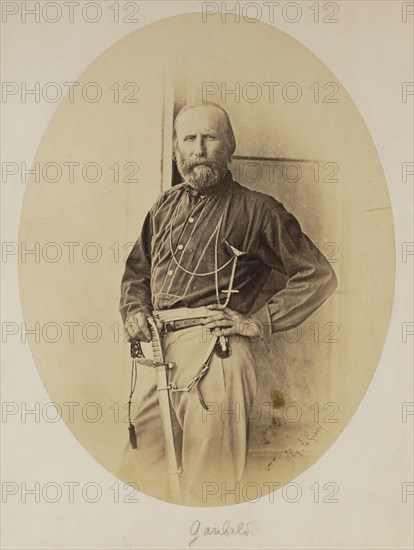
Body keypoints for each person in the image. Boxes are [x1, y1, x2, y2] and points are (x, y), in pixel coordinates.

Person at [118, 101, 337, 505]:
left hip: (215, 353)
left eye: (210, 137)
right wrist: (134, 310)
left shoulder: (259, 210)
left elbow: (319, 274)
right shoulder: (163, 208)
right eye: (188, 138)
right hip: (155, 350)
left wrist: (258, 321)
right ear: (176, 150)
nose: (198, 148)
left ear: (229, 145)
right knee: (140, 476)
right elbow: (137, 273)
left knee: (209, 483)